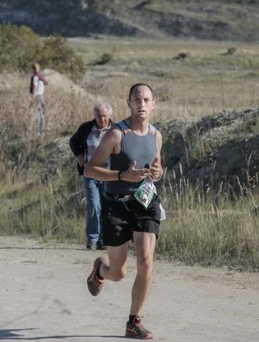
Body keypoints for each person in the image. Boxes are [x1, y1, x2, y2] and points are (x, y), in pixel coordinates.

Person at [84, 83, 164, 340]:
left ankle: (133, 322)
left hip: (145, 203)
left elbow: (157, 166)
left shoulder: (156, 136)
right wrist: (121, 175)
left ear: (154, 104)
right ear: (129, 103)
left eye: (146, 99)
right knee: (118, 273)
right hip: (116, 204)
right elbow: (89, 169)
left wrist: (158, 172)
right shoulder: (116, 134)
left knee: (146, 260)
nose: (141, 103)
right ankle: (100, 269)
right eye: (136, 99)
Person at [69, 102, 113, 250]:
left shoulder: (115, 130)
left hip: (109, 175)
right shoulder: (86, 128)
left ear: (109, 116)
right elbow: (73, 142)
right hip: (90, 173)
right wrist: (79, 157)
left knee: (106, 207)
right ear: (94, 116)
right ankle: (93, 239)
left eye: (105, 116)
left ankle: (104, 239)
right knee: (94, 205)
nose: (102, 119)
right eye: (99, 116)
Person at [29, 63, 48, 133]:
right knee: (42, 113)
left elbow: (34, 87)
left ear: (33, 69)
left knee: (38, 113)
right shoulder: (41, 75)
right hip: (41, 95)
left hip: (37, 96)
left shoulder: (35, 77)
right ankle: (42, 129)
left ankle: (39, 131)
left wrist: (32, 99)